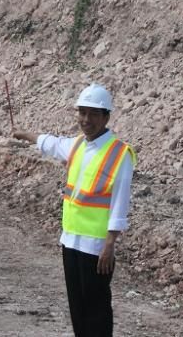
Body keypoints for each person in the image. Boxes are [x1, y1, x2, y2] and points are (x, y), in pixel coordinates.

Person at [12, 83, 136, 337]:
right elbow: (52, 144)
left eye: (92, 114)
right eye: (82, 113)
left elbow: (120, 202)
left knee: (97, 309)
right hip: (71, 240)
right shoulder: (78, 145)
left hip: (96, 246)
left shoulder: (118, 153)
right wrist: (26, 135)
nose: (85, 120)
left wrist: (110, 244)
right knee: (77, 308)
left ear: (105, 117)